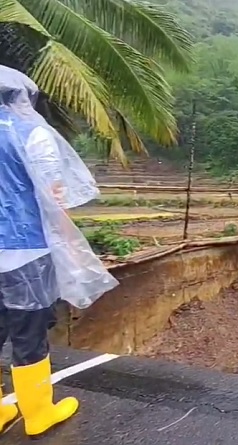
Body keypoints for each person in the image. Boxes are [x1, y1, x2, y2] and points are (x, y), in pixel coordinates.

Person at [0, 65, 118, 437]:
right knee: (29, 331)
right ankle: (37, 413)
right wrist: (68, 243)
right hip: (26, 251)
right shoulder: (32, 133)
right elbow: (53, 196)